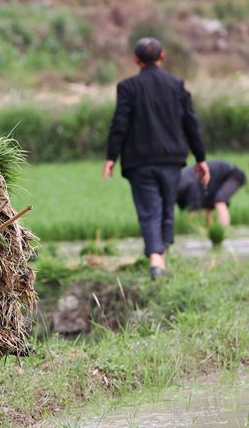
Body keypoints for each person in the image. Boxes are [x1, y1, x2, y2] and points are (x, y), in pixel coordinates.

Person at [102, 36, 210, 278]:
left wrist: (111, 157)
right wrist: (201, 158)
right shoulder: (177, 85)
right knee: (167, 208)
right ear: (163, 56)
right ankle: (161, 255)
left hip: (139, 162)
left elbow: (119, 124)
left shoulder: (128, 87)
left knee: (149, 210)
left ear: (135, 59)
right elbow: (191, 124)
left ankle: (155, 260)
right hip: (171, 160)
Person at [177, 160, 246, 226]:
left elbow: (195, 207)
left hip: (233, 175)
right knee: (206, 203)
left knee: (219, 200)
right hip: (212, 180)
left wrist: (193, 214)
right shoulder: (178, 185)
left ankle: (223, 230)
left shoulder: (185, 183)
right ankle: (210, 230)